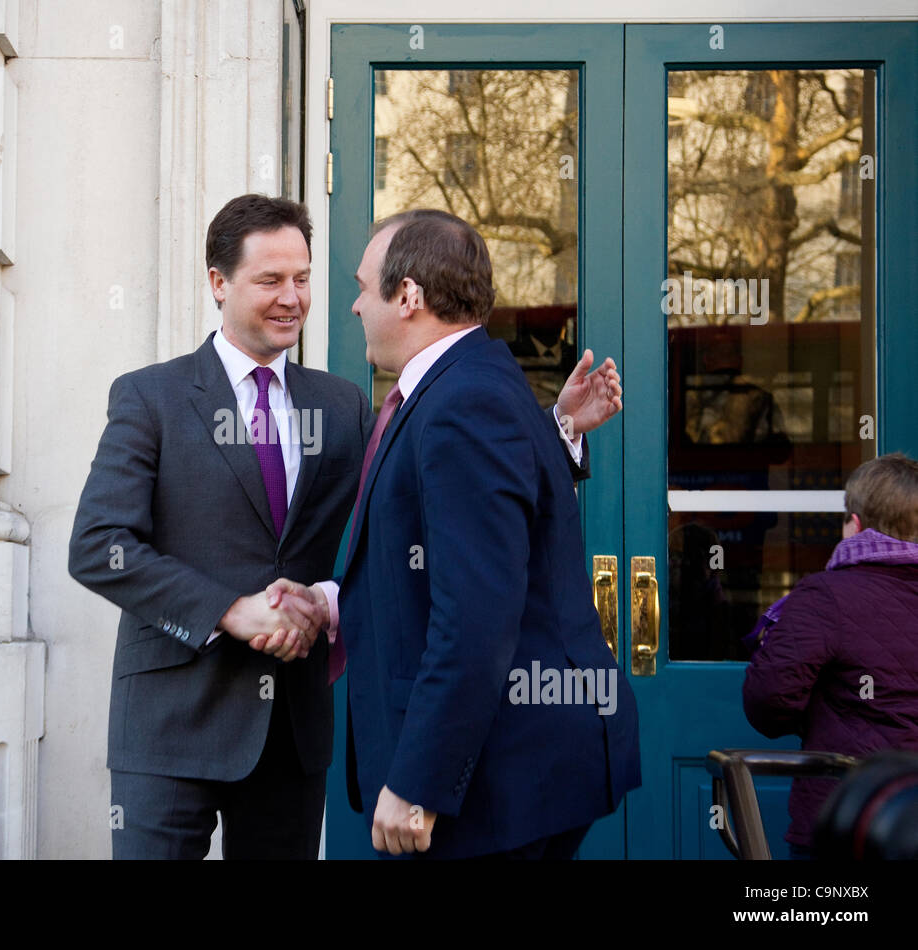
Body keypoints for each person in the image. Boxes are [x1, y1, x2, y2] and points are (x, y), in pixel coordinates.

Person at [69, 194, 619, 859]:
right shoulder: (149, 396)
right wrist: (230, 611)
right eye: (271, 280)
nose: (293, 298)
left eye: (302, 278)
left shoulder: (343, 403)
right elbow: (101, 547)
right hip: (170, 723)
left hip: (291, 731)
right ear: (218, 283)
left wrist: (552, 434)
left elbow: (414, 512)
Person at [272, 209, 640, 859]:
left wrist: (420, 782)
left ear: (407, 295)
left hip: (495, 779)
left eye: (363, 286)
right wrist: (335, 603)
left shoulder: (463, 399)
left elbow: (475, 616)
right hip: (508, 768)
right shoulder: (476, 382)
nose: (355, 306)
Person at [743, 452, 918, 859]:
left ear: (854, 526)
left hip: (850, 818)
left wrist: (818, 714)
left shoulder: (825, 595)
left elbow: (767, 698)